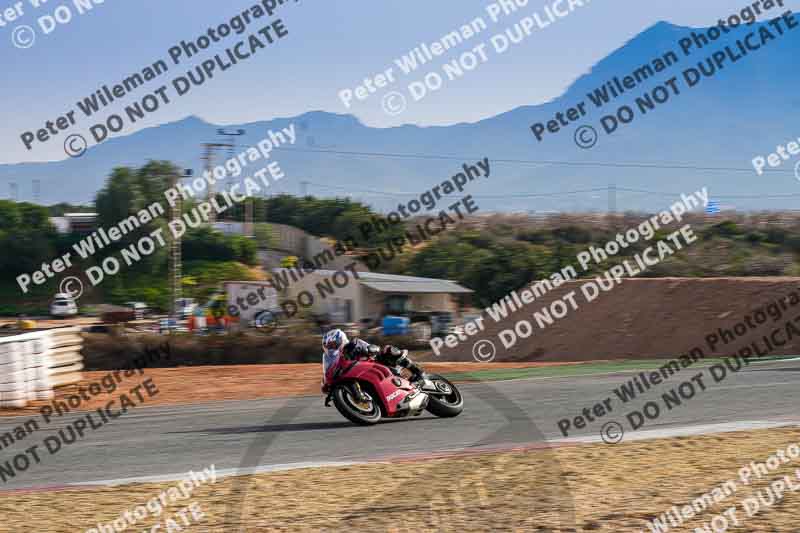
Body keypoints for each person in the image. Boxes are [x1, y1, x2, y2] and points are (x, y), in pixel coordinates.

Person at [322, 328, 425, 384]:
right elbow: (329, 370)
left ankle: (417, 371)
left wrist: (370, 349)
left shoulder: (354, 343)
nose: (332, 348)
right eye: (329, 346)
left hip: (377, 364)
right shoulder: (334, 359)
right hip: (365, 376)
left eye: (333, 344)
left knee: (388, 350)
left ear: (342, 339)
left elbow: (373, 348)